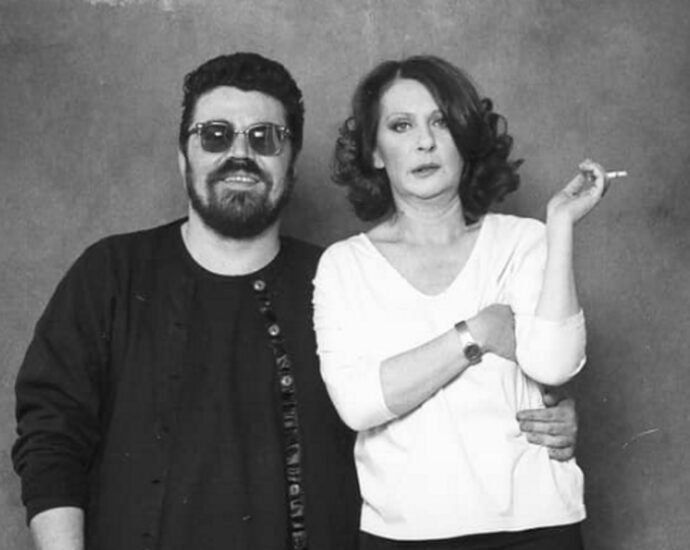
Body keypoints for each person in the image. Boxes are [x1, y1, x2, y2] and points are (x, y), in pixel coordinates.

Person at [13, 52, 579, 550]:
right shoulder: (111, 273)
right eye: (215, 135)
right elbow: (50, 442)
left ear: (292, 161)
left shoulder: (335, 278)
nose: (240, 154)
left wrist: (539, 409)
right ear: (183, 157)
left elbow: (427, 402)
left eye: (265, 138)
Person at [314, 55, 607, 549]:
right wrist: (479, 333)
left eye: (441, 122)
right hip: (404, 535)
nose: (425, 142)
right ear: (376, 151)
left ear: (465, 139)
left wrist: (560, 225)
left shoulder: (523, 241)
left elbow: (554, 365)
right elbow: (359, 404)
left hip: (536, 526)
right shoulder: (344, 265)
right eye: (401, 125)